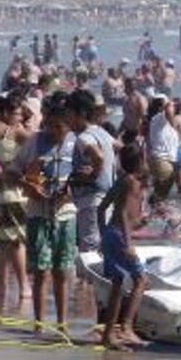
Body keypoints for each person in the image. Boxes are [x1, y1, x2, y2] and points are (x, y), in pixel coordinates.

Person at [15, 94, 78, 333]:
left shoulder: (77, 143)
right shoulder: (34, 142)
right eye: (50, 124)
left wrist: (72, 191)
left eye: (59, 126)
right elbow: (14, 171)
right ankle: (39, 323)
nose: (53, 130)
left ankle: (62, 323)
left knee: (62, 269)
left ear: (68, 123)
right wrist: (29, 187)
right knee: (41, 270)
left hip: (66, 214)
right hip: (37, 213)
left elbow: (87, 176)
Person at [98, 144, 149, 350]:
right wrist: (127, 243)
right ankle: (126, 327)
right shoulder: (131, 183)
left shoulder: (122, 181)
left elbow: (102, 209)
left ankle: (109, 334)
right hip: (120, 237)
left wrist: (104, 236)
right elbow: (123, 215)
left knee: (118, 285)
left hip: (112, 234)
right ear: (140, 161)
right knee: (141, 280)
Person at [0, 94, 31, 301]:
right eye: (16, 114)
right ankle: (24, 287)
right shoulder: (15, 132)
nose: (20, 117)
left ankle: (1, 288)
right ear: (6, 113)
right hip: (13, 194)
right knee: (17, 241)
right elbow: (38, 143)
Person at [68, 89, 116, 257]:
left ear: (80, 113)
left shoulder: (83, 138)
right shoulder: (103, 133)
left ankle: (89, 283)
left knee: (89, 249)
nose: (68, 120)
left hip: (91, 200)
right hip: (108, 198)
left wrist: (94, 174)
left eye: (69, 114)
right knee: (103, 246)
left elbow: (98, 155)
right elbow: (121, 148)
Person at [147, 94, 180, 202]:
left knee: (159, 192)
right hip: (162, 160)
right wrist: (170, 104)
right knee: (161, 194)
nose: (172, 106)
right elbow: (168, 110)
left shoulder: (157, 120)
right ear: (161, 107)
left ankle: (153, 210)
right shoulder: (160, 117)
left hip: (161, 160)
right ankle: (155, 209)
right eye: (168, 104)